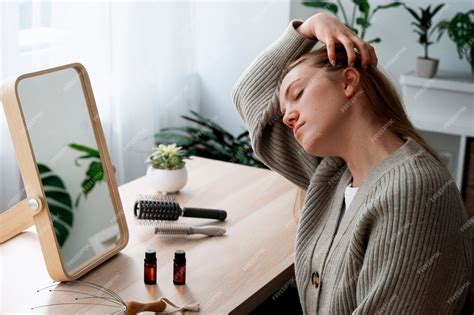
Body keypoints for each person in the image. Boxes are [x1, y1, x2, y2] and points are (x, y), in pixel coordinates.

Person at [231, 12, 473, 314]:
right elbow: (248, 97)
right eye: (283, 112)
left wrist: (309, 33)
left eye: (298, 94)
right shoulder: (333, 175)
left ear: (348, 81)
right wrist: (308, 27)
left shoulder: (412, 191)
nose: (288, 117)